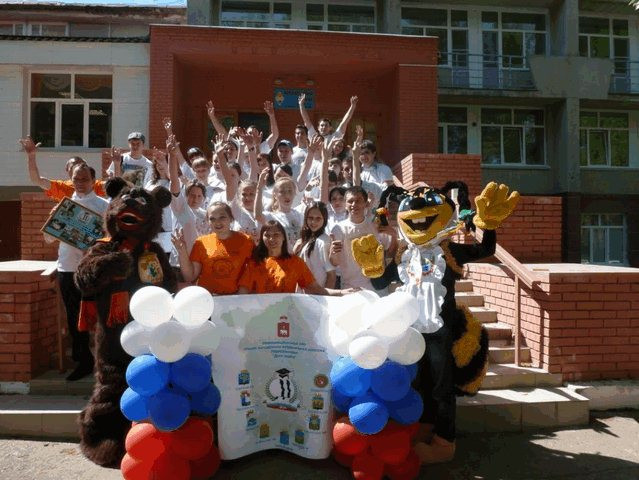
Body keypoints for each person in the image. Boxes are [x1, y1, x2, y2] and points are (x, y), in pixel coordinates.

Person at [49, 163, 109, 380]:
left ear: (93, 181)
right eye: (76, 179)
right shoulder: (64, 205)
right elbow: (48, 238)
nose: (80, 183)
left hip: (93, 270)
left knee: (100, 316)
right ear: (71, 179)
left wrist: (94, 249)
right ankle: (83, 361)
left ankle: (105, 362)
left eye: (84, 179)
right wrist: (54, 220)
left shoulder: (104, 205)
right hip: (67, 267)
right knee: (74, 317)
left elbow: (111, 237)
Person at [172, 202, 254, 295]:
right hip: (208, 298)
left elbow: (252, 272)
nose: (217, 222)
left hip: (236, 298)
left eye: (222, 217)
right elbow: (190, 277)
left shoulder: (247, 241)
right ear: (208, 221)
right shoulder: (201, 243)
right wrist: (182, 251)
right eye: (212, 219)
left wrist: (240, 296)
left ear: (231, 218)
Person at [329, 186, 397, 293]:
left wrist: (394, 236)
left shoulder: (376, 225)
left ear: (365, 203)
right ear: (345, 204)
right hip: (351, 289)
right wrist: (333, 253)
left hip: (378, 288)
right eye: (350, 201)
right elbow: (334, 262)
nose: (354, 204)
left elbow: (390, 254)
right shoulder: (338, 229)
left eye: (358, 201)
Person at [238, 220, 328, 295]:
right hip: (263, 310)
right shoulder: (254, 263)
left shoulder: (296, 262)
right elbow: (242, 294)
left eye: (276, 235)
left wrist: (336, 293)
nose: (271, 239)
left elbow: (315, 288)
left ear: (284, 237)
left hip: (286, 310)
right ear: (262, 238)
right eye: (267, 235)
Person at [20, 135, 106, 200]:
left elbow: (113, 186)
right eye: (73, 167)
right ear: (67, 169)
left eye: (81, 166)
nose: (78, 170)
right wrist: (31, 156)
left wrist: (114, 163)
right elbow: (36, 180)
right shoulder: (63, 187)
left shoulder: (96, 185)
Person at [254, 172, 304, 254]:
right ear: (275, 195)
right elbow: (258, 215)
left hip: (298, 259)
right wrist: (259, 189)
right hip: (281, 258)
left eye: (290, 191)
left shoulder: (299, 215)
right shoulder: (271, 217)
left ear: (295, 193)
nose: (287, 195)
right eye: (282, 192)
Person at [293, 202, 336, 290]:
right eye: (310, 218)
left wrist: (326, 296)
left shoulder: (323, 242)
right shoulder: (305, 239)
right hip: (303, 293)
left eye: (318, 218)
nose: (313, 222)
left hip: (317, 294)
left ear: (324, 219)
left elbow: (331, 275)